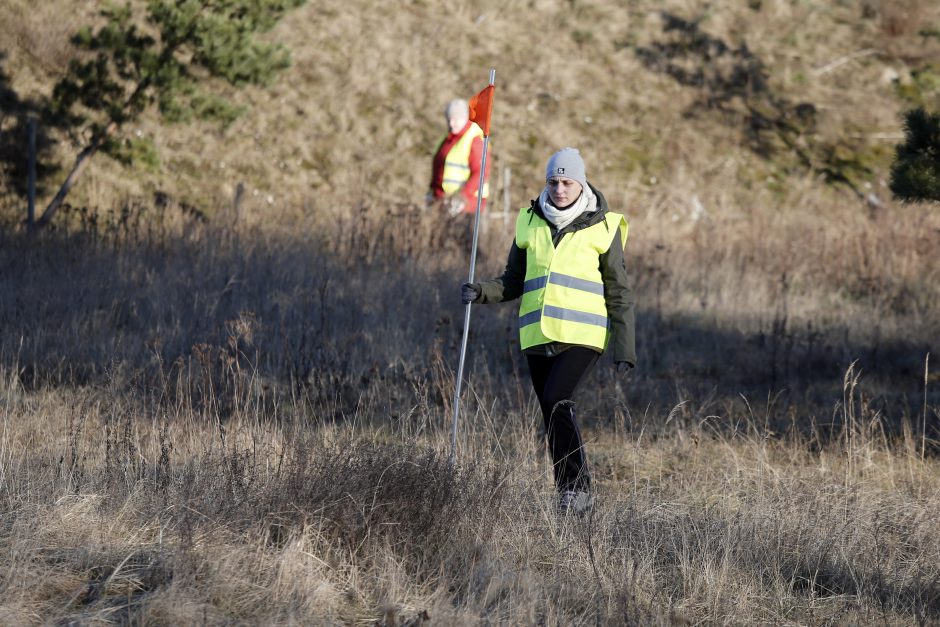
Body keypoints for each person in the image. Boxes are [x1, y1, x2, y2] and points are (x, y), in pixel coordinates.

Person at [461, 148, 636, 516]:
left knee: (558, 398)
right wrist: (481, 292)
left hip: (584, 334)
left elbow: (618, 290)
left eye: (566, 182)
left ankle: (578, 490)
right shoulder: (529, 221)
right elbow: (514, 280)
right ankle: (570, 493)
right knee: (551, 411)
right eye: (553, 181)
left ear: (581, 183)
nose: (558, 189)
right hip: (538, 335)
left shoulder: (604, 226)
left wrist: (625, 347)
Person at [428, 99, 491, 217]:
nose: (451, 123)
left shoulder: (474, 139)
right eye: (449, 119)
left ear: (465, 118)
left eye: (456, 119)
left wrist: (461, 198)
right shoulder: (446, 139)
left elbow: (481, 174)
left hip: (467, 208)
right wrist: (432, 193)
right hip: (444, 205)